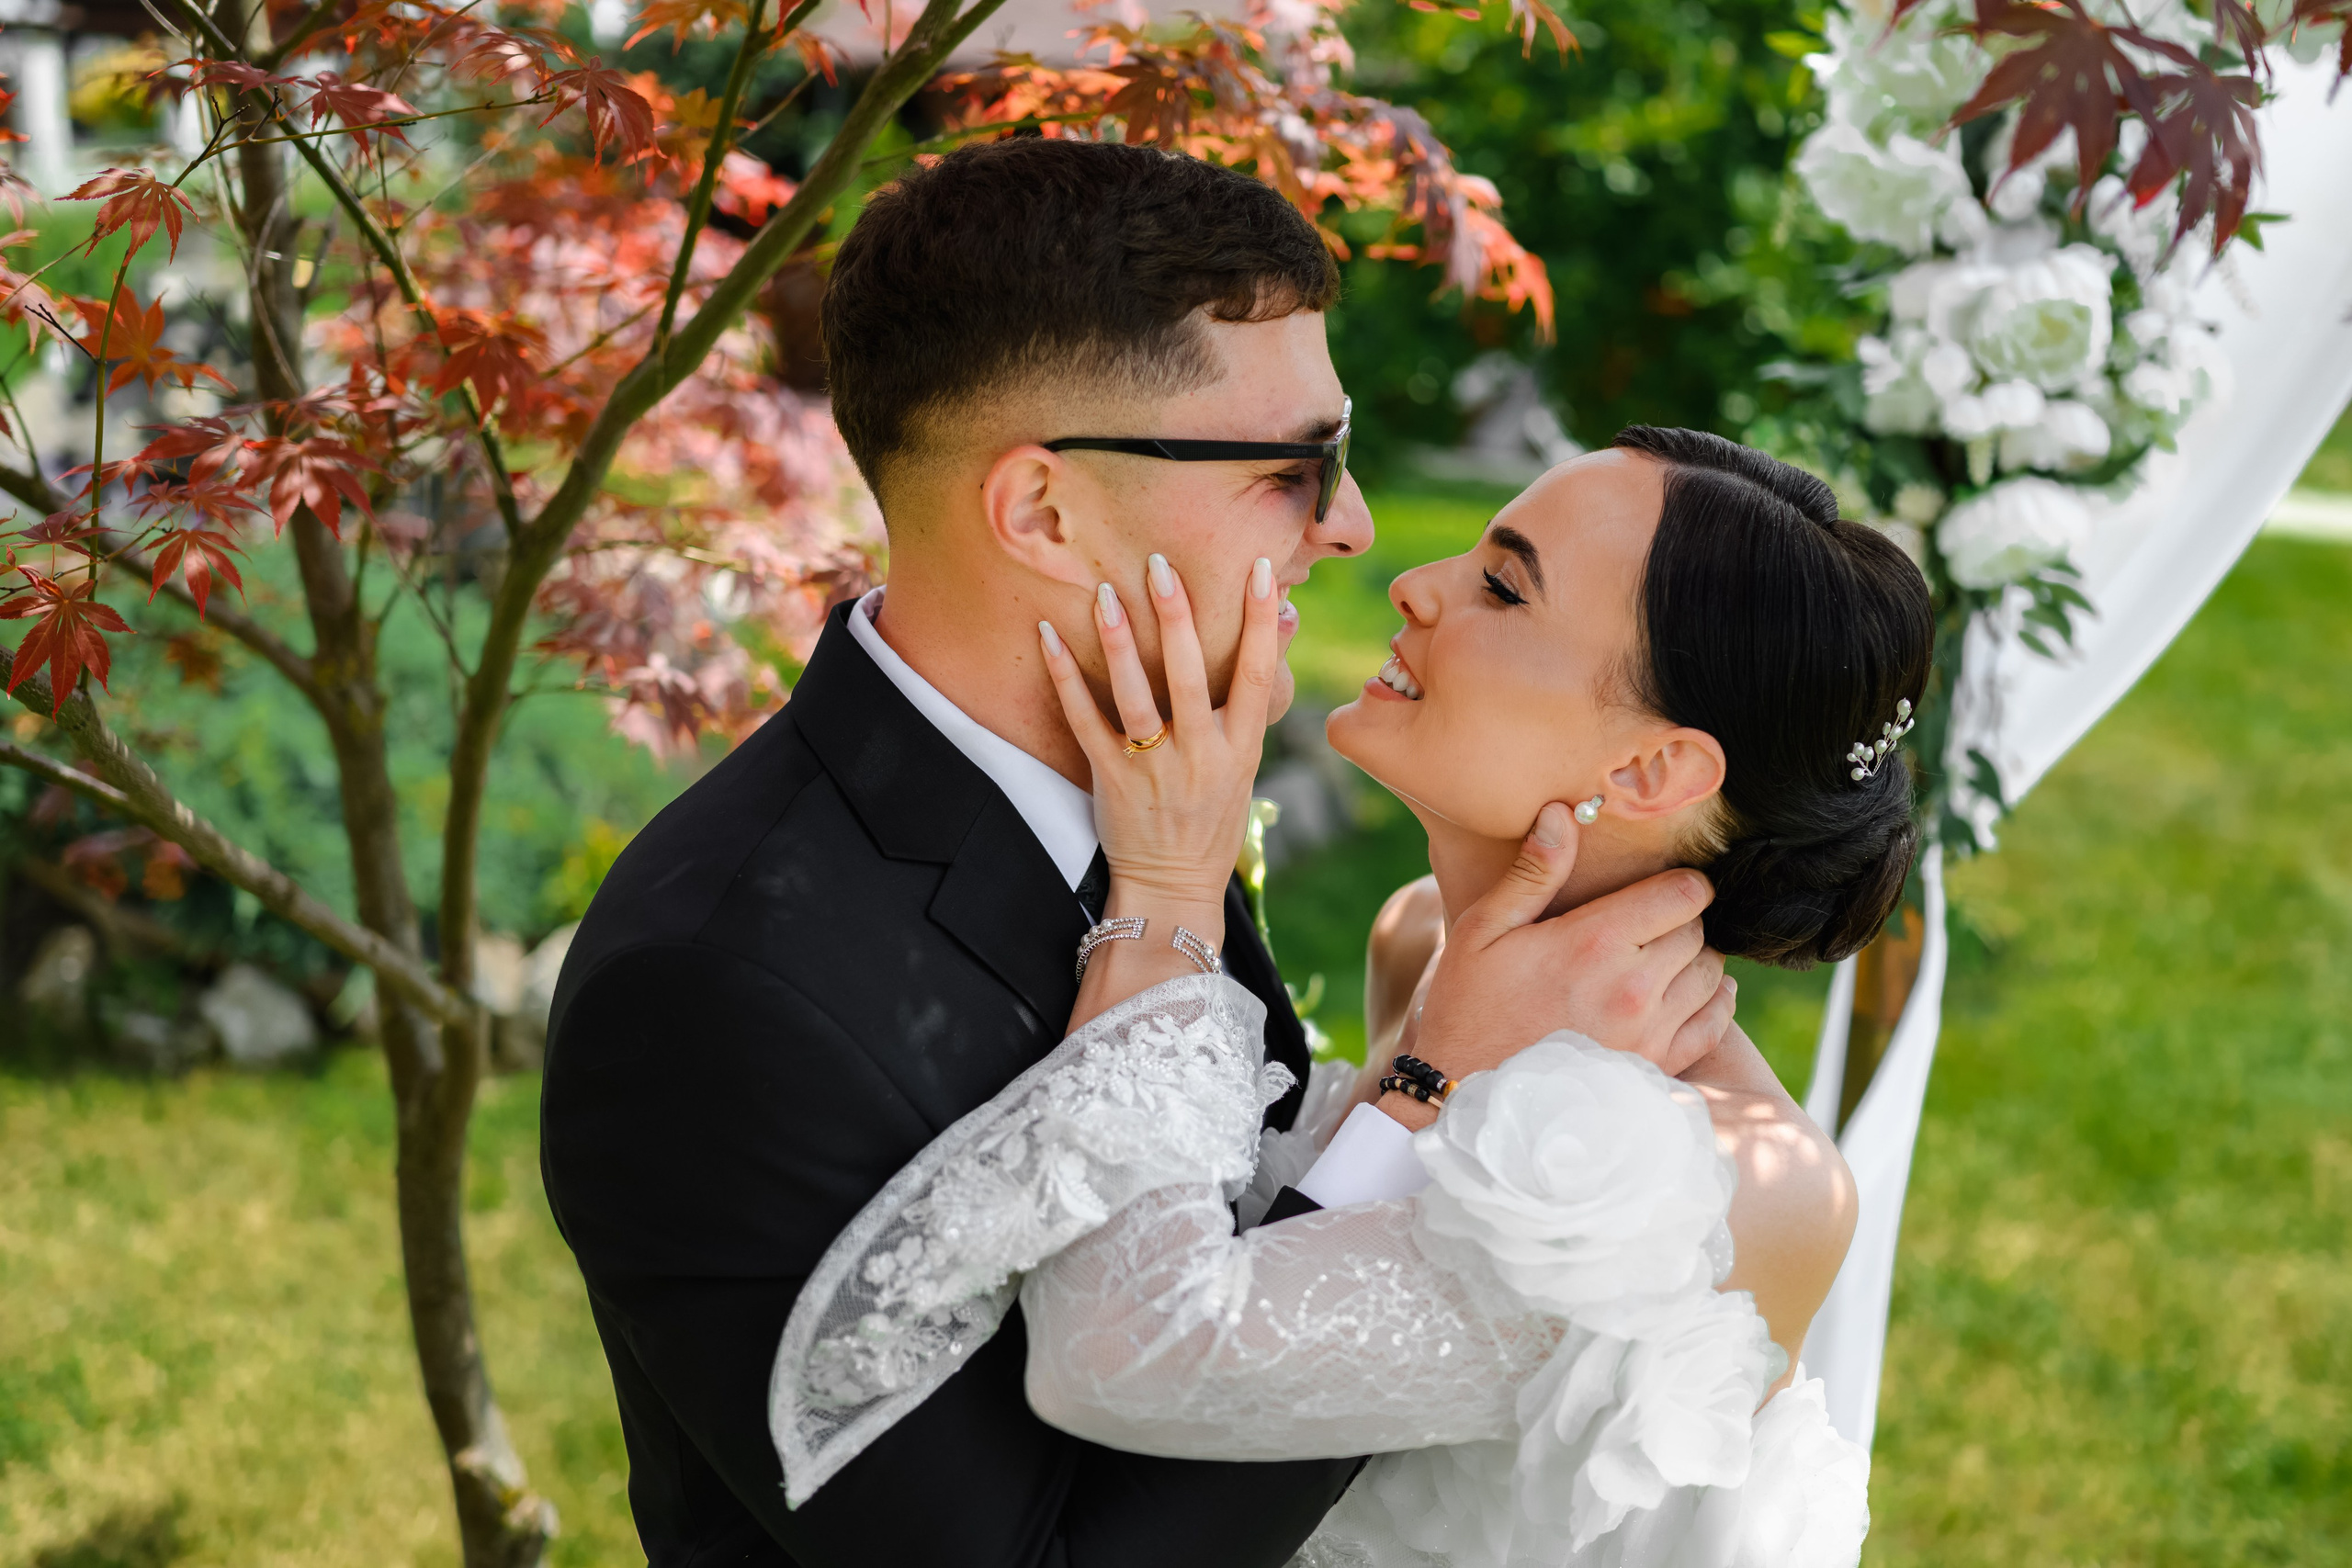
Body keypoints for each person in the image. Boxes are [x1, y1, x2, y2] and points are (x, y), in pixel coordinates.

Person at [539, 138, 1736, 1568]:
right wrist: (1424, 1091)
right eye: (1299, 469)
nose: (1351, 527)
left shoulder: (1148, 786)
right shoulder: (715, 991)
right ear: (1043, 511)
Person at [773, 428, 1929, 1564]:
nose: (1416, 585)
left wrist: (1171, 895)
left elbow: (1125, 1355)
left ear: (1648, 771)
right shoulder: (1421, 939)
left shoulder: (1726, 1185)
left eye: (1501, 588)